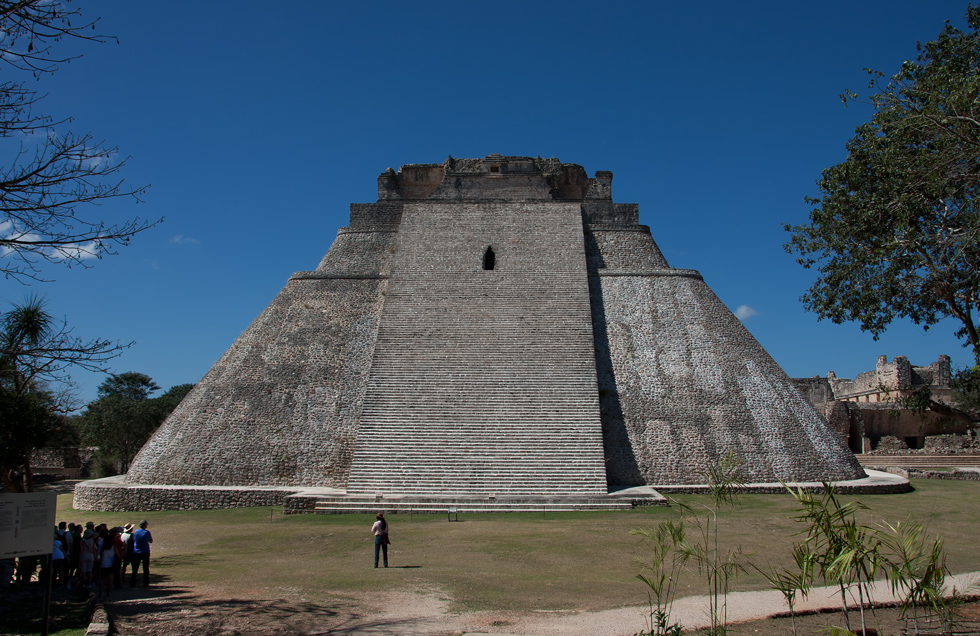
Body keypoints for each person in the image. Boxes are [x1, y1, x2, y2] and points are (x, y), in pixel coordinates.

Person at [130, 519, 153, 587]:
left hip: (136, 551)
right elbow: (150, 541)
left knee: (135, 568)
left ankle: (132, 582)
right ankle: (146, 583)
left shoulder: (136, 531)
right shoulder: (146, 533)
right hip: (145, 551)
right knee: (145, 568)